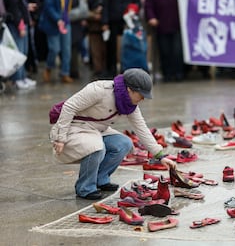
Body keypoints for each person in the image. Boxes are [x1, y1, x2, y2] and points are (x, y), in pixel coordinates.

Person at [50, 68, 176, 200]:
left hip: (96, 130)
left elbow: (141, 128)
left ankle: (100, 178)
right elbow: (69, 107)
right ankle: (85, 187)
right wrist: (60, 138)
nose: (143, 98)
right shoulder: (99, 90)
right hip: (73, 127)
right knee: (96, 147)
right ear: (129, 90)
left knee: (124, 144)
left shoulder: (129, 103)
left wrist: (160, 156)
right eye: (141, 94)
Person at [2, 0, 37, 89]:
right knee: (18, 53)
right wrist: (21, 26)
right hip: (17, 26)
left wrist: (27, 8)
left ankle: (22, 76)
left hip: (20, 24)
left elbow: (19, 5)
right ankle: (17, 79)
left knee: (23, 52)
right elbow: (14, 9)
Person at [38, 0, 74, 83]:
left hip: (65, 23)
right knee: (54, 49)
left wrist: (65, 18)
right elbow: (49, 7)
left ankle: (65, 73)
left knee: (66, 50)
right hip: (53, 24)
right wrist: (57, 19)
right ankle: (49, 68)